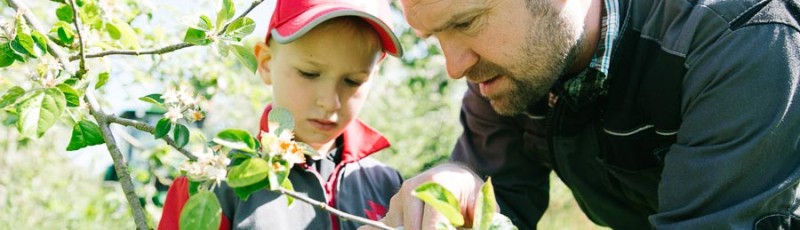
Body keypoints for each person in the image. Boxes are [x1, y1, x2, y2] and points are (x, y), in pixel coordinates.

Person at [367, 0, 800, 229]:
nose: (455, 65)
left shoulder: (741, 40)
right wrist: (456, 184)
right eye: (434, 35)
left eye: (465, 23)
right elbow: (500, 203)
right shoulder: (511, 72)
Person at [158, 0, 405, 229]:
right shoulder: (212, 178)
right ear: (265, 63)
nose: (330, 102)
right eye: (309, 73)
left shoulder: (389, 185)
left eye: (353, 81)